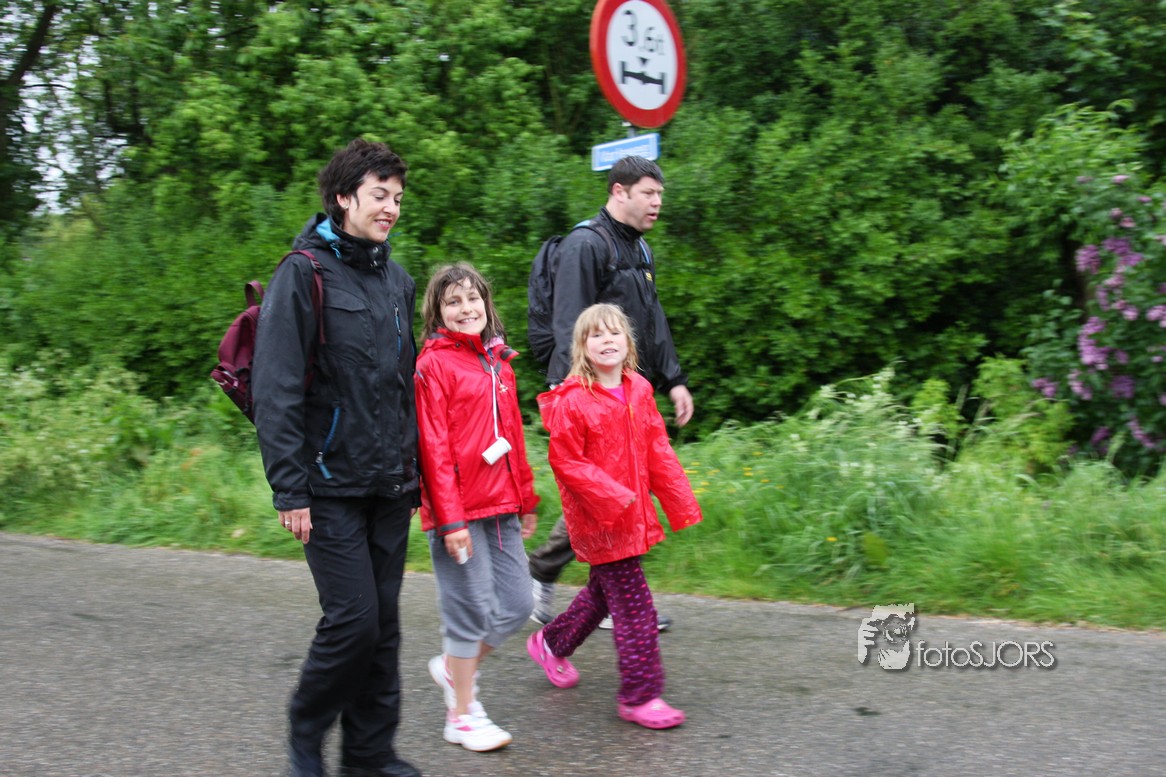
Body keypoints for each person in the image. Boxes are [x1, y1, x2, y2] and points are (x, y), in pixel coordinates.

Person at [251, 138, 422, 777]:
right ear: (344, 197)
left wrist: (416, 477)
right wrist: (289, 488)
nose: (391, 208)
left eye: (397, 198)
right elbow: (275, 387)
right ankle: (306, 729)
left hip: (389, 484)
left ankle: (369, 755)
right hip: (326, 485)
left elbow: (404, 389)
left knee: (384, 627)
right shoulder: (304, 273)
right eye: (380, 195)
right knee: (353, 621)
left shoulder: (398, 282)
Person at [528, 155, 692, 630]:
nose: (657, 202)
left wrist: (674, 379)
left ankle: (559, 579)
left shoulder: (640, 250)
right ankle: (608, 600)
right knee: (604, 496)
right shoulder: (587, 244)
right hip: (586, 394)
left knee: (615, 492)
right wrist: (574, 393)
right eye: (649, 193)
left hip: (626, 390)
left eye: (660, 194)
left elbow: (653, 321)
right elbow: (569, 322)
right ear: (619, 192)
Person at [527, 303, 702, 729]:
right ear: (582, 347)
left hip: (633, 514)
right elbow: (566, 462)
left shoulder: (639, 389)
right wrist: (612, 497)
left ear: (628, 343)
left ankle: (550, 643)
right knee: (636, 607)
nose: (607, 340)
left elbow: (657, 448)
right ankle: (640, 695)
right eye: (596, 335)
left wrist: (678, 500)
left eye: (615, 333)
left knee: (603, 595)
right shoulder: (573, 400)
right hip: (599, 519)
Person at [413, 263, 540, 752]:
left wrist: (526, 499)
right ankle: (462, 715)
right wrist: (449, 520)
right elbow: (433, 448)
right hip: (459, 513)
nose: (466, 308)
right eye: (453, 302)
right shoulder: (433, 366)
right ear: (437, 313)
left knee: (518, 604)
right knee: (468, 610)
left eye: (473, 299)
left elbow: (513, 437)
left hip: (502, 506)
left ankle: (453, 668)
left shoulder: (499, 364)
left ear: (487, 304)